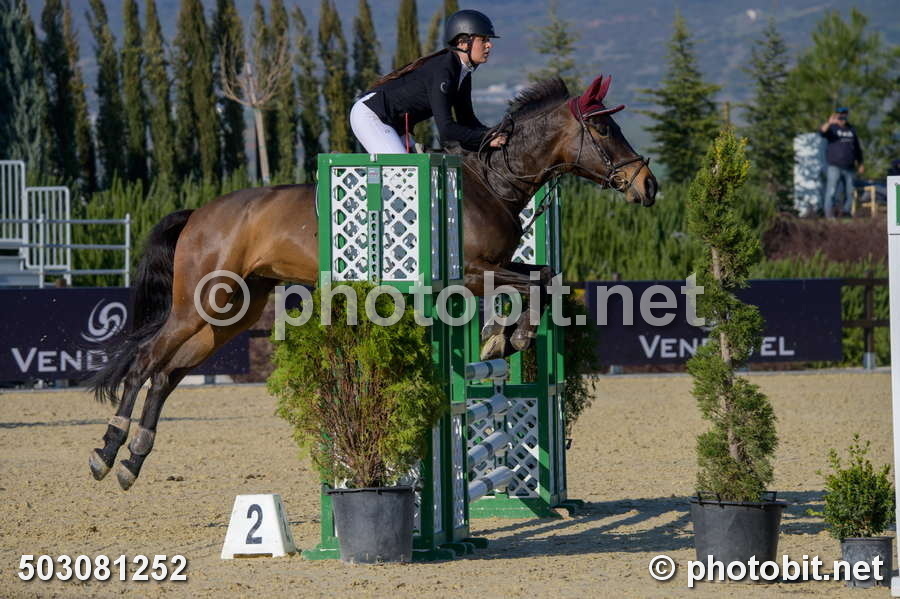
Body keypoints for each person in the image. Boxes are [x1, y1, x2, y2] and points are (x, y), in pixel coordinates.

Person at [350, 9, 507, 154]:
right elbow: (446, 130)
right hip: (372, 115)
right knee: (404, 169)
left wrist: (494, 133)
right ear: (462, 42)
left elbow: (467, 121)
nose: (489, 45)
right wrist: (486, 138)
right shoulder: (443, 70)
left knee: (415, 169)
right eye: (483, 39)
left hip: (395, 124)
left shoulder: (463, 73)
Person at [819, 107, 864, 218]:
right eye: (839, 114)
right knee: (831, 192)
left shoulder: (851, 129)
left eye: (844, 114)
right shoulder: (832, 128)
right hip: (834, 166)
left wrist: (860, 163)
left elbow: (857, 148)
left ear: (847, 115)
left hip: (850, 167)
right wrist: (829, 122)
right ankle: (829, 216)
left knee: (850, 193)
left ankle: (845, 213)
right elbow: (822, 132)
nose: (842, 116)